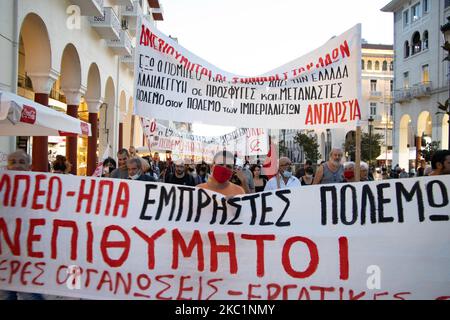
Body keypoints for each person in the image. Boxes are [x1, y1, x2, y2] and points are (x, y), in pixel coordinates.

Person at [2, 150, 44, 300]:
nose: (17, 166)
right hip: (5, 257)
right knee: (6, 295)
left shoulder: (40, 189)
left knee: (30, 294)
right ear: (7, 167)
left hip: (29, 256)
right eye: (13, 162)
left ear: (29, 167)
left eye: (22, 162)